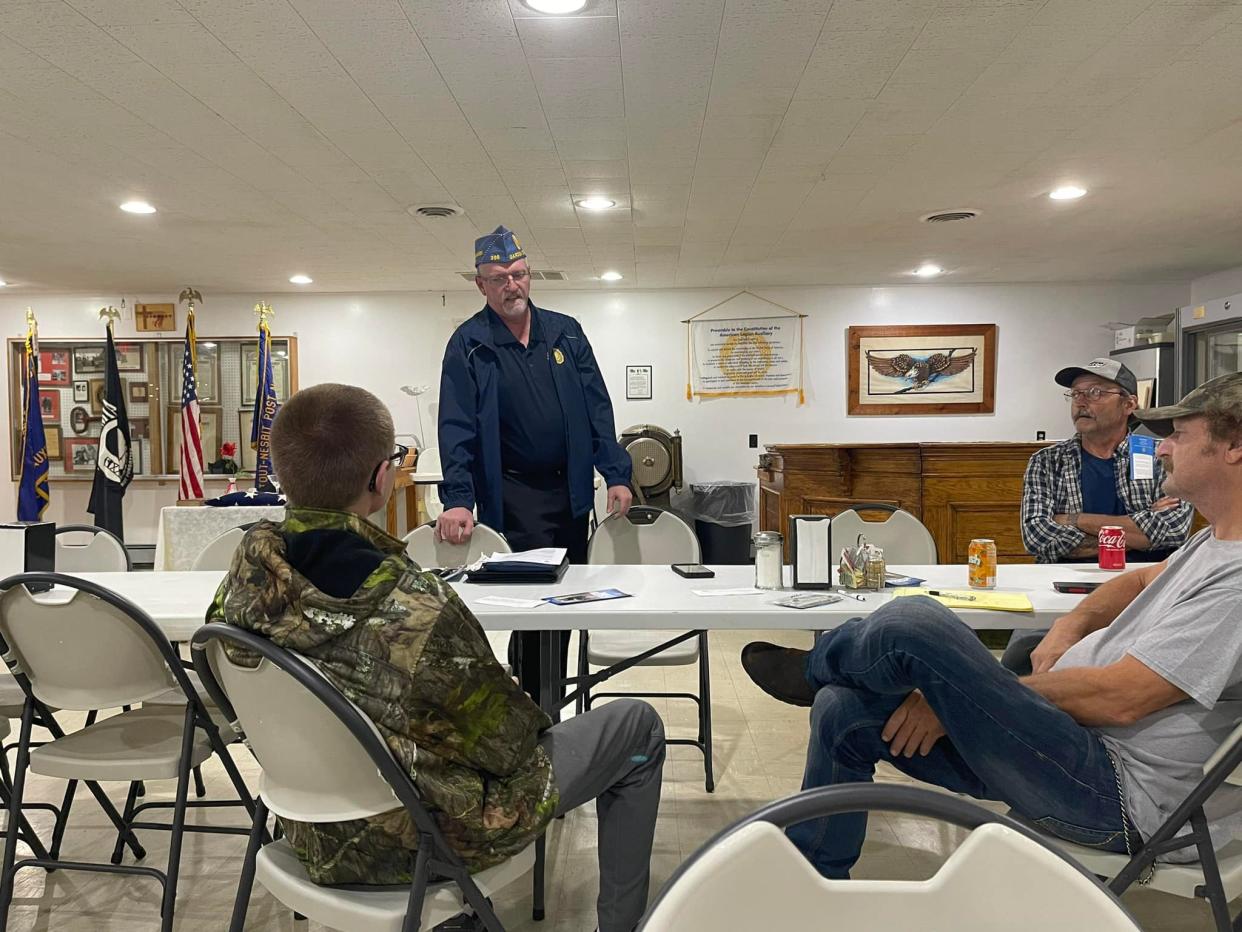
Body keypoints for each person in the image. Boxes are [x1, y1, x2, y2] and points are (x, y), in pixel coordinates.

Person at [739, 373, 1242, 881]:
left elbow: (1122, 698)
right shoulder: (1211, 545)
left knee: (914, 622)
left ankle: (817, 668)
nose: (1162, 450)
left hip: (1114, 790)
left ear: (1235, 447)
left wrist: (970, 695)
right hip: (1068, 744)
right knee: (841, 709)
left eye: (1180, 435)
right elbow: (1135, 581)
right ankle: (816, 881)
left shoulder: (1238, 582)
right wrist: (1071, 623)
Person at [208, 383, 664, 932]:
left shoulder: (240, 582)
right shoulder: (417, 608)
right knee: (637, 726)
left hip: (306, 834)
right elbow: (511, 744)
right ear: (381, 479)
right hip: (420, 843)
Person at [437, 225, 634, 700]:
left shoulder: (565, 332)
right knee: (529, 607)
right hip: (513, 495)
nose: (512, 285)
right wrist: (459, 499)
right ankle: (536, 705)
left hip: (568, 493)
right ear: (480, 284)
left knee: (562, 604)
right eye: (499, 277)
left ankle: (546, 700)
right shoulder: (469, 344)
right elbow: (456, 426)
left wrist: (616, 472)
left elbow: (596, 407)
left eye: (519, 274)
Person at [1006, 356, 1194, 673]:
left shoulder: (1161, 453)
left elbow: (1172, 531)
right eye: (1075, 394)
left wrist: (1073, 519)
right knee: (1019, 661)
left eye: (1095, 392)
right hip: (1063, 586)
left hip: (1146, 590)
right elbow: (1038, 537)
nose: (1081, 401)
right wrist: (1140, 527)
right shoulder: (1047, 461)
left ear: (1129, 404)